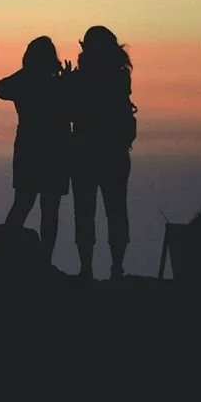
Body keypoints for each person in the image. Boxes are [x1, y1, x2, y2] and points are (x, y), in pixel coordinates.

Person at [67, 24, 136, 279]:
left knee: (84, 212)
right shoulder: (120, 75)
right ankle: (116, 268)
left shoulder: (82, 78)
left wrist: (68, 81)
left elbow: (71, 110)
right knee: (116, 210)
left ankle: (86, 269)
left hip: (85, 152)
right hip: (115, 152)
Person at [0, 36, 70, 262]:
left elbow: (0, 87)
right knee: (49, 208)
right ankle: (45, 258)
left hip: (29, 148)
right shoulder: (58, 84)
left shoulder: (25, 82)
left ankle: (5, 254)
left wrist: (27, 73)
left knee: (23, 202)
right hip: (56, 150)